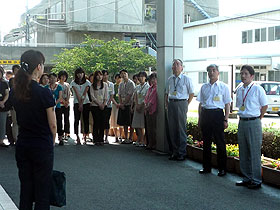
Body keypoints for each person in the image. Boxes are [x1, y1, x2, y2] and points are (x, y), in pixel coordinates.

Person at [11, 50, 56, 209]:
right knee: (42, 191)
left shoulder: (16, 91)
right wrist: (53, 141)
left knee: (26, 190)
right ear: (38, 67)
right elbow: (53, 125)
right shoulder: (44, 92)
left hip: (23, 143)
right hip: (41, 144)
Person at [235, 65, 268, 189]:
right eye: (241, 73)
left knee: (254, 152)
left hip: (253, 122)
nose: (243, 76)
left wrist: (259, 118)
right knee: (243, 151)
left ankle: (256, 180)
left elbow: (264, 106)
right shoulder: (239, 89)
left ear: (252, 76)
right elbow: (239, 105)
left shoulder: (257, 89)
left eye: (246, 74)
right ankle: (246, 178)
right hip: (242, 122)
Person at [197, 64, 232, 176]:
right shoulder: (204, 87)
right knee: (206, 142)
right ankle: (206, 167)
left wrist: (226, 119)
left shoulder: (223, 87)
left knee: (220, 142)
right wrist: (200, 118)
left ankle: (222, 168)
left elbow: (227, 104)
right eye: (209, 71)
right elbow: (201, 104)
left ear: (218, 72)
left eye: (213, 70)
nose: (211, 73)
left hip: (217, 115)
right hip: (206, 114)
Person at [165, 59, 194, 161]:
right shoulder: (169, 79)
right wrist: (167, 104)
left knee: (181, 128)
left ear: (182, 67)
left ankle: (182, 153)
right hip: (171, 103)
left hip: (181, 103)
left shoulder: (186, 79)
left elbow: (191, 93)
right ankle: (174, 151)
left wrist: (186, 104)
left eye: (178, 64)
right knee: (172, 128)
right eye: (174, 64)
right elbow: (166, 93)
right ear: (172, 68)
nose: (176, 66)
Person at [70, 67, 91, 145]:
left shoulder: (87, 82)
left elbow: (85, 93)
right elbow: (77, 94)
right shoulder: (73, 82)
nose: (80, 75)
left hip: (86, 102)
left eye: (81, 73)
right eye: (78, 73)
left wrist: (82, 104)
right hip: (76, 102)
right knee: (76, 120)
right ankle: (77, 136)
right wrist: (80, 104)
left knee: (86, 120)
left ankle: (85, 136)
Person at [90, 71, 108, 146]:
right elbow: (92, 96)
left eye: (101, 75)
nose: (99, 77)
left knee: (102, 122)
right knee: (96, 122)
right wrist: (99, 104)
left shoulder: (105, 85)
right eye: (97, 75)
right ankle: (95, 139)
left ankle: (101, 139)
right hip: (95, 106)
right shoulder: (92, 86)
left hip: (103, 106)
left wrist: (103, 104)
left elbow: (106, 95)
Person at [131, 71, 150, 147]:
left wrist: (140, 105)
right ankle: (139, 138)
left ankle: (142, 141)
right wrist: (136, 104)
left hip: (143, 107)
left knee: (142, 125)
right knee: (136, 124)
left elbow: (146, 97)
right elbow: (135, 96)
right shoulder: (137, 86)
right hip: (137, 106)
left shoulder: (147, 87)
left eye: (143, 76)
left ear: (145, 77)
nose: (141, 78)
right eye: (140, 76)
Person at [117, 69, 135, 143]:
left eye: (125, 73)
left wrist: (123, 104)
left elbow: (130, 95)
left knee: (130, 122)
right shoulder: (121, 84)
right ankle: (126, 137)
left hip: (129, 105)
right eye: (122, 74)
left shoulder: (131, 83)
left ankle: (130, 138)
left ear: (127, 74)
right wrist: (121, 104)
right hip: (123, 105)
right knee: (124, 122)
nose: (123, 75)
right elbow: (119, 95)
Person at [46, 73, 63, 145]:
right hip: (48, 108)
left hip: (57, 106)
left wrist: (55, 103)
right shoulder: (46, 87)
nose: (52, 79)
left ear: (56, 79)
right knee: (49, 122)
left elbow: (60, 97)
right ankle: (50, 138)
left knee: (59, 122)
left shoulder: (59, 87)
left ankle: (60, 137)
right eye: (51, 78)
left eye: (54, 78)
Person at [144, 72, 157, 150]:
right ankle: (150, 143)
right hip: (147, 110)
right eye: (151, 79)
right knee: (149, 128)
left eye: (154, 79)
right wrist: (145, 105)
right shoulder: (150, 88)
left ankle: (154, 144)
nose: (152, 81)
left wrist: (148, 105)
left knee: (154, 128)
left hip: (153, 110)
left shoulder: (157, 88)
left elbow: (153, 99)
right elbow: (146, 98)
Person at [58, 70, 71, 141]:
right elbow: (58, 95)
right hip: (60, 104)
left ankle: (67, 132)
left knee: (66, 119)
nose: (63, 78)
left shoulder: (67, 84)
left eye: (65, 76)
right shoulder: (57, 84)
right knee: (59, 119)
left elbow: (69, 94)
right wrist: (63, 101)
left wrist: (67, 101)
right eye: (62, 76)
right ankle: (60, 133)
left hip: (66, 104)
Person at [102, 70, 114, 144]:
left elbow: (112, 94)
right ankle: (100, 137)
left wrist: (108, 102)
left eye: (106, 75)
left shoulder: (111, 84)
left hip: (108, 105)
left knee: (106, 121)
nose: (105, 76)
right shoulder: (99, 84)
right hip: (100, 105)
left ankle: (106, 137)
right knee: (101, 121)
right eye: (104, 75)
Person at [110, 73, 123, 142]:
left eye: (120, 78)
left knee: (121, 122)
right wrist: (116, 103)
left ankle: (120, 136)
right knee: (114, 121)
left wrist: (121, 103)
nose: (119, 79)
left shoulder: (123, 85)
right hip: (115, 105)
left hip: (121, 105)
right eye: (117, 78)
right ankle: (116, 136)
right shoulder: (113, 86)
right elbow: (112, 96)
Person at [0, 66, 9, 147]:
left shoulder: (4, 83)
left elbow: (7, 94)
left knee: (2, 124)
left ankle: (1, 140)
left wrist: (3, 101)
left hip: (2, 106)